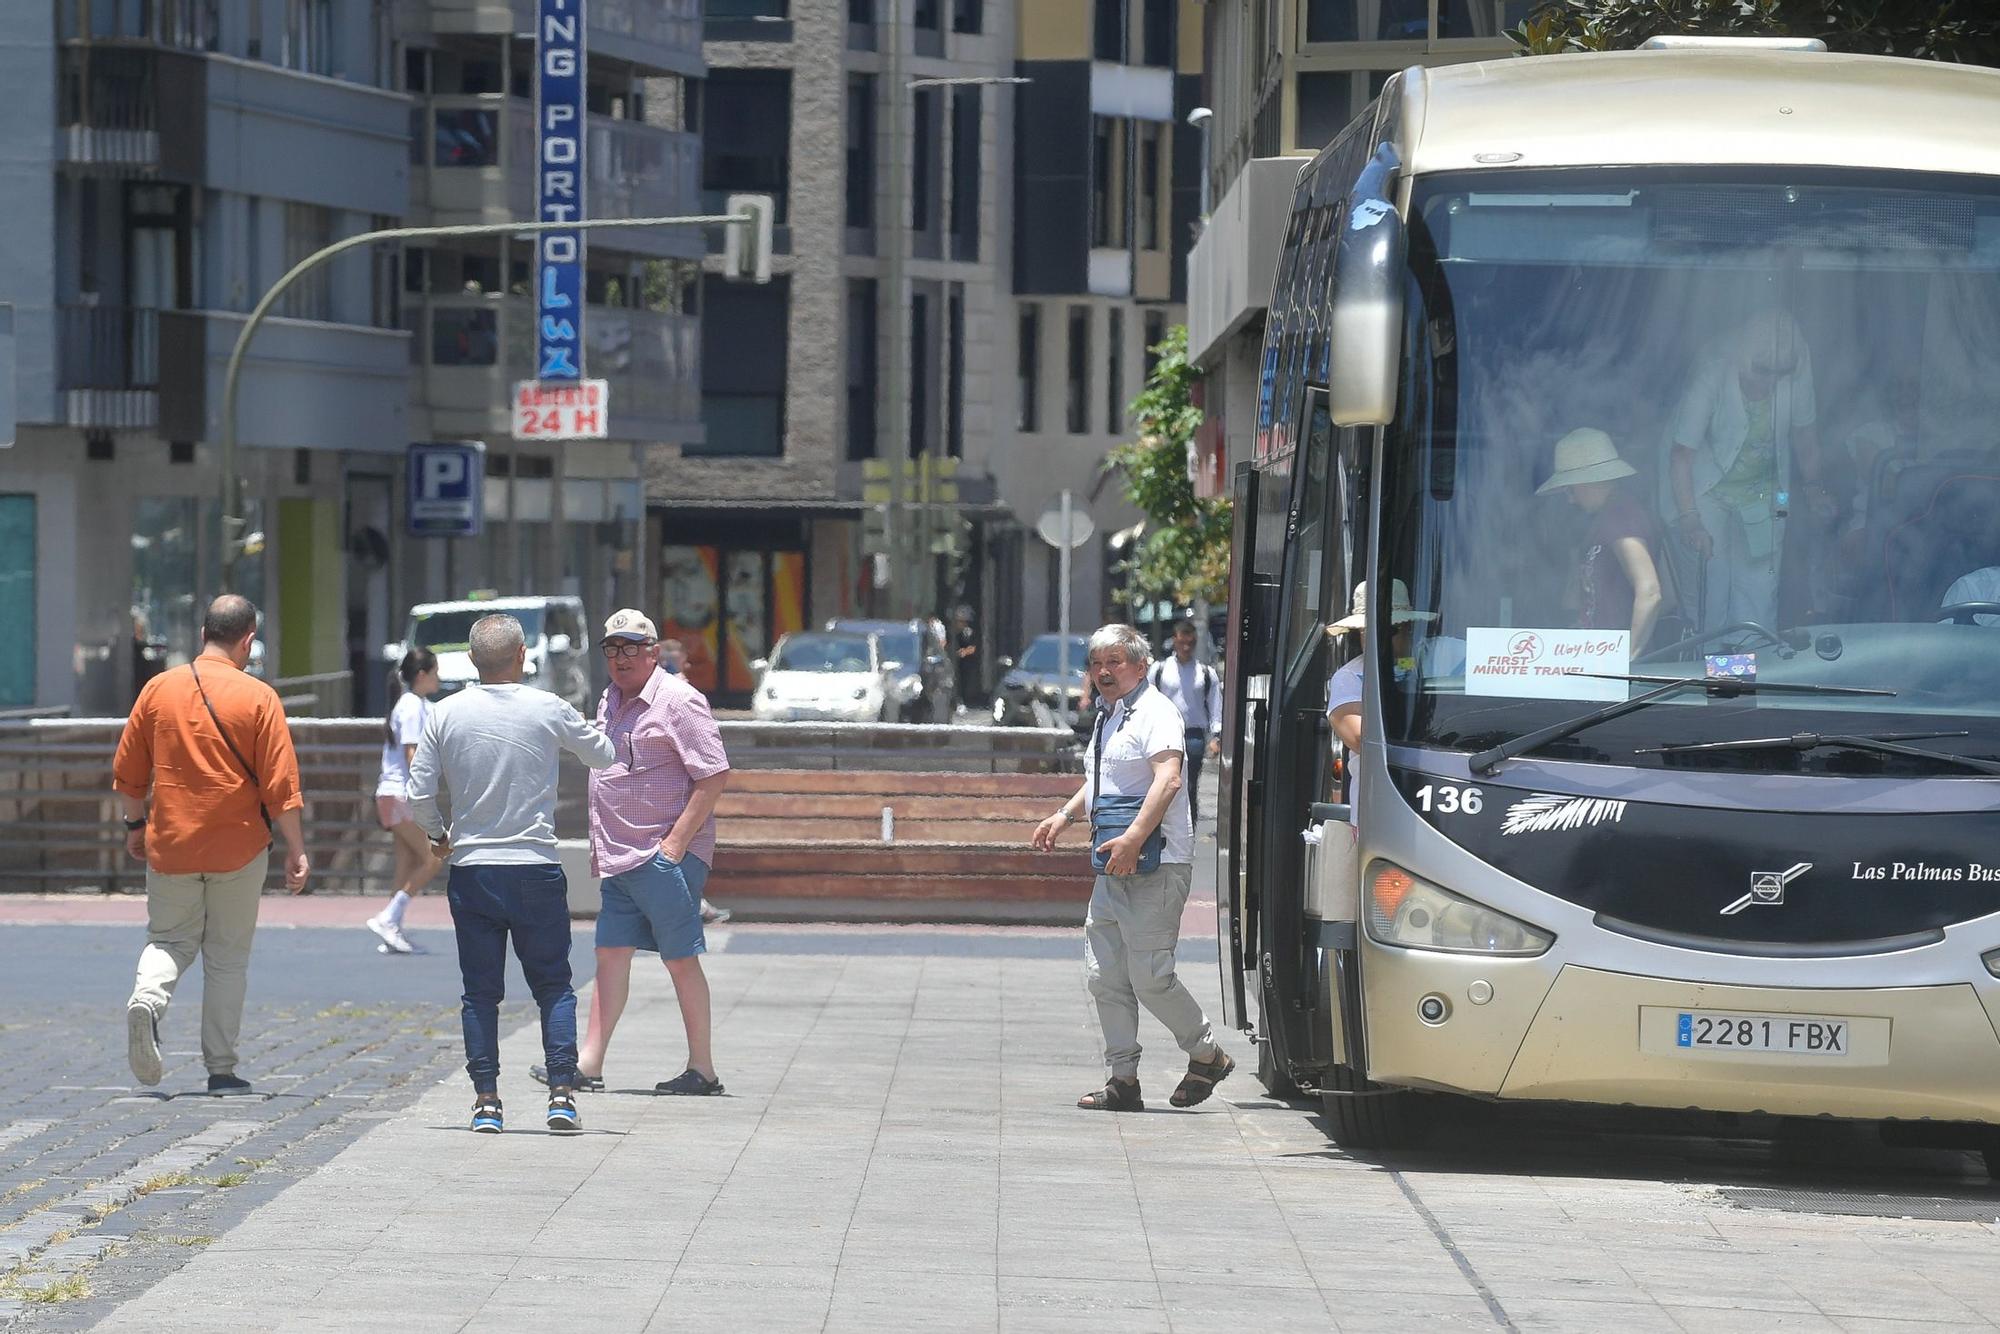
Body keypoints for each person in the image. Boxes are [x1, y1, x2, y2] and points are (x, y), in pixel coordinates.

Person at [408, 614, 616, 1134]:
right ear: (522, 655)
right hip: (535, 868)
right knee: (554, 987)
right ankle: (563, 1094)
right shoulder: (547, 707)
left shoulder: (445, 713)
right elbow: (604, 755)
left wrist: (438, 835)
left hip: (473, 868)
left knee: (480, 993)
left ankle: (486, 1102)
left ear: (473, 660)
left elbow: (417, 792)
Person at [1031, 624, 1233, 1113]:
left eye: (1114, 661)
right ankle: (1123, 1080)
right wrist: (1065, 814)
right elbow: (1102, 781)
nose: (1103, 671)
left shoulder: (1157, 713)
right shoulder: (1108, 716)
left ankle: (1206, 1054)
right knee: (1105, 976)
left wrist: (1136, 838)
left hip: (1157, 864)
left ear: (1141, 667)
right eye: (1096, 663)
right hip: (1113, 865)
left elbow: (1168, 780)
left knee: (1150, 977)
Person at [113, 595, 310, 1094]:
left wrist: (135, 828)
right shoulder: (260, 698)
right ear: (247, 640)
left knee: (169, 940)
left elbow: (129, 775)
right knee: (226, 957)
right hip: (238, 851)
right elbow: (280, 788)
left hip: (173, 843)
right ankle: (221, 1069)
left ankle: (148, 999)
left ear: (203, 635)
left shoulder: (158, 689)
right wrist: (297, 850)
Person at [538, 610, 733, 1097]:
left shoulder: (679, 701)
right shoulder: (611, 698)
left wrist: (674, 846)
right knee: (609, 953)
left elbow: (714, 775)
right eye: (612, 649)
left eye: (630, 648)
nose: (621, 659)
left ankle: (703, 1070)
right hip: (620, 854)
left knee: (680, 958)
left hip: (661, 854)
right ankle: (589, 1063)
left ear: (652, 652)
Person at [1664, 311, 1821, 633]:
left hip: (1765, 489)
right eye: (1763, 373)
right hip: (1703, 487)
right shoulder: (1711, 372)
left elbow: (1805, 433)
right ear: (1743, 360)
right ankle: (1712, 677)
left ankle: (1745, 675)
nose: (1770, 382)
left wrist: (1815, 487)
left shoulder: (1796, 362)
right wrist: (1690, 518)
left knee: (1759, 589)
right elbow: (1681, 456)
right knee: (1712, 586)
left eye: (1779, 375)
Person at [1536, 428, 1664, 648]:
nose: (1570, 500)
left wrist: (1627, 657)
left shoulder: (1621, 517)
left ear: (1585, 482)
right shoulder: (1611, 516)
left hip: (1612, 666)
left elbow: (1650, 591)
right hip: (1601, 658)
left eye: (1569, 490)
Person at [364, 649, 444, 955]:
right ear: (422, 675)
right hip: (401, 794)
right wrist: (426, 794)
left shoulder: (415, 704)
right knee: (436, 855)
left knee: (408, 862)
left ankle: (392, 927)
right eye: (435, 672)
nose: (438, 678)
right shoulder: (411, 706)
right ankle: (388, 918)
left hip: (391, 794)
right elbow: (413, 755)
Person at [1148, 620, 1222, 824]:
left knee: (1188, 785)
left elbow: (1215, 705)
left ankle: (1188, 827)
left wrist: (1216, 735)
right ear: (1175, 641)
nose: (1186, 648)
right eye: (1182, 643)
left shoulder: (1206, 674)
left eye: (1190, 643)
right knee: (1163, 782)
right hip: (1163, 734)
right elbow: (1147, 700)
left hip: (1193, 736)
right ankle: (1161, 825)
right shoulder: (1159, 670)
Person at [952, 605, 979, 712]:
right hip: (957, 662)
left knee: (964, 682)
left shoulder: (968, 632)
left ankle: (964, 701)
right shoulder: (955, 634)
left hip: (967, 662)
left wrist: (964, 652)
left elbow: (974, 647)